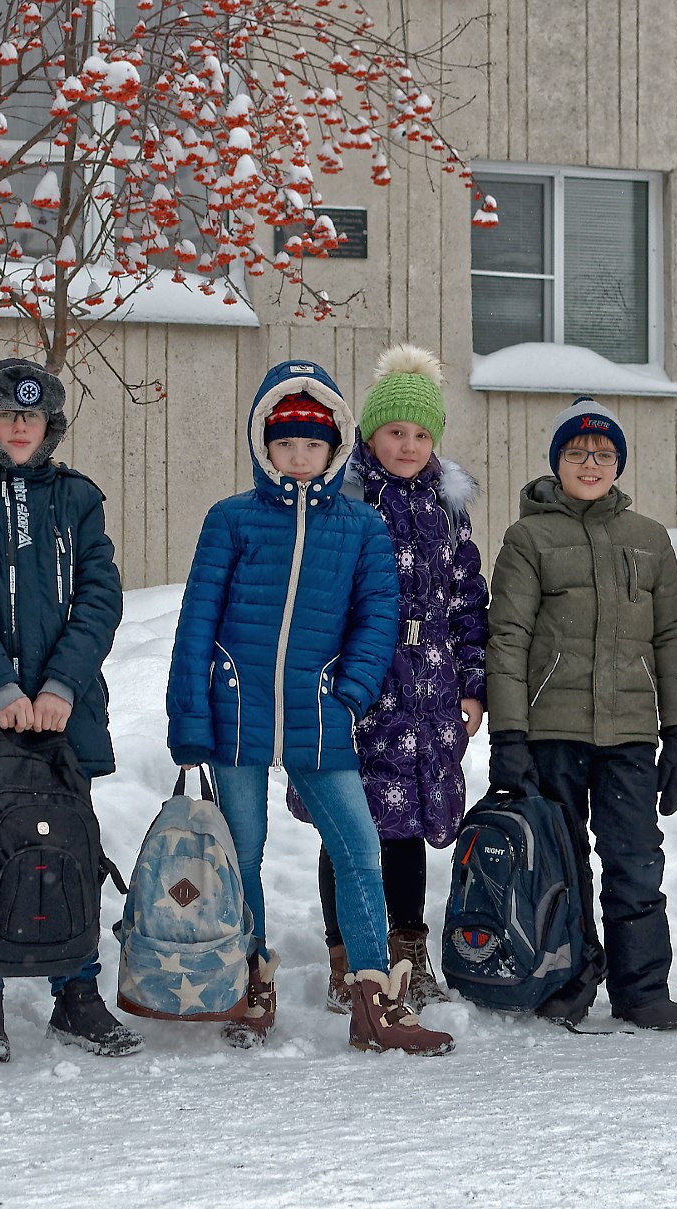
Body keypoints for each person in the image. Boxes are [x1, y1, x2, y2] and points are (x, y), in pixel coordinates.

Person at [166, 358, 455, 1056]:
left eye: (314, 444)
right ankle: (251, 978)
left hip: (319, 716)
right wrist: (189, 715)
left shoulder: (357, 526)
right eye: (286, 442)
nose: (299, 457)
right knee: (242, 852)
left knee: (359, 850)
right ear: (264, 445)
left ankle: (371, 996)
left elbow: (377, 613)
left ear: (335, 448)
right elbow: (195, 619)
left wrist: (350, 691)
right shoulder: (230, 519)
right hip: (236, 714)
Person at [0, 359, 142, 1064]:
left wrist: (60, 686)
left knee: (70, 848)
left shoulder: (77, 499)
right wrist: (0, 687)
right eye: (5, 414)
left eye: (30, 417)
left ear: (49, 427)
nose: (17, 426)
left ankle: (77, 994)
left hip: (65, 718)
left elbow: (99, 595)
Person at [484, 396, 677, 1030]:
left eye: (603, 454)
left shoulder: (649, 539)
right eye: (577, 452)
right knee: (562, 862)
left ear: (619, 464)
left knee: (635, 860)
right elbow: (509, 638)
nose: (590, 463)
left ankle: (641, 989)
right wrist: (509, 735)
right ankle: (567, 982)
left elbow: (669, 640)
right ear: (556, 461)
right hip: (552, 732)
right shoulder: (528, 538)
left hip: (630, 733)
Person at [288, 346, 488, 1013]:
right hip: (358, 685)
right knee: (349, 824)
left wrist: (472, 683)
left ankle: (407, 951)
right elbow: (315, 599)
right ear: (369, 433)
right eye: (395, 431)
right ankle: (347, 959)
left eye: (420, 433)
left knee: (406, 825)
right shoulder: (342, 499)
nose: (407, 445)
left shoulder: (446, 505)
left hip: (427, 686)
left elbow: (466, 595)